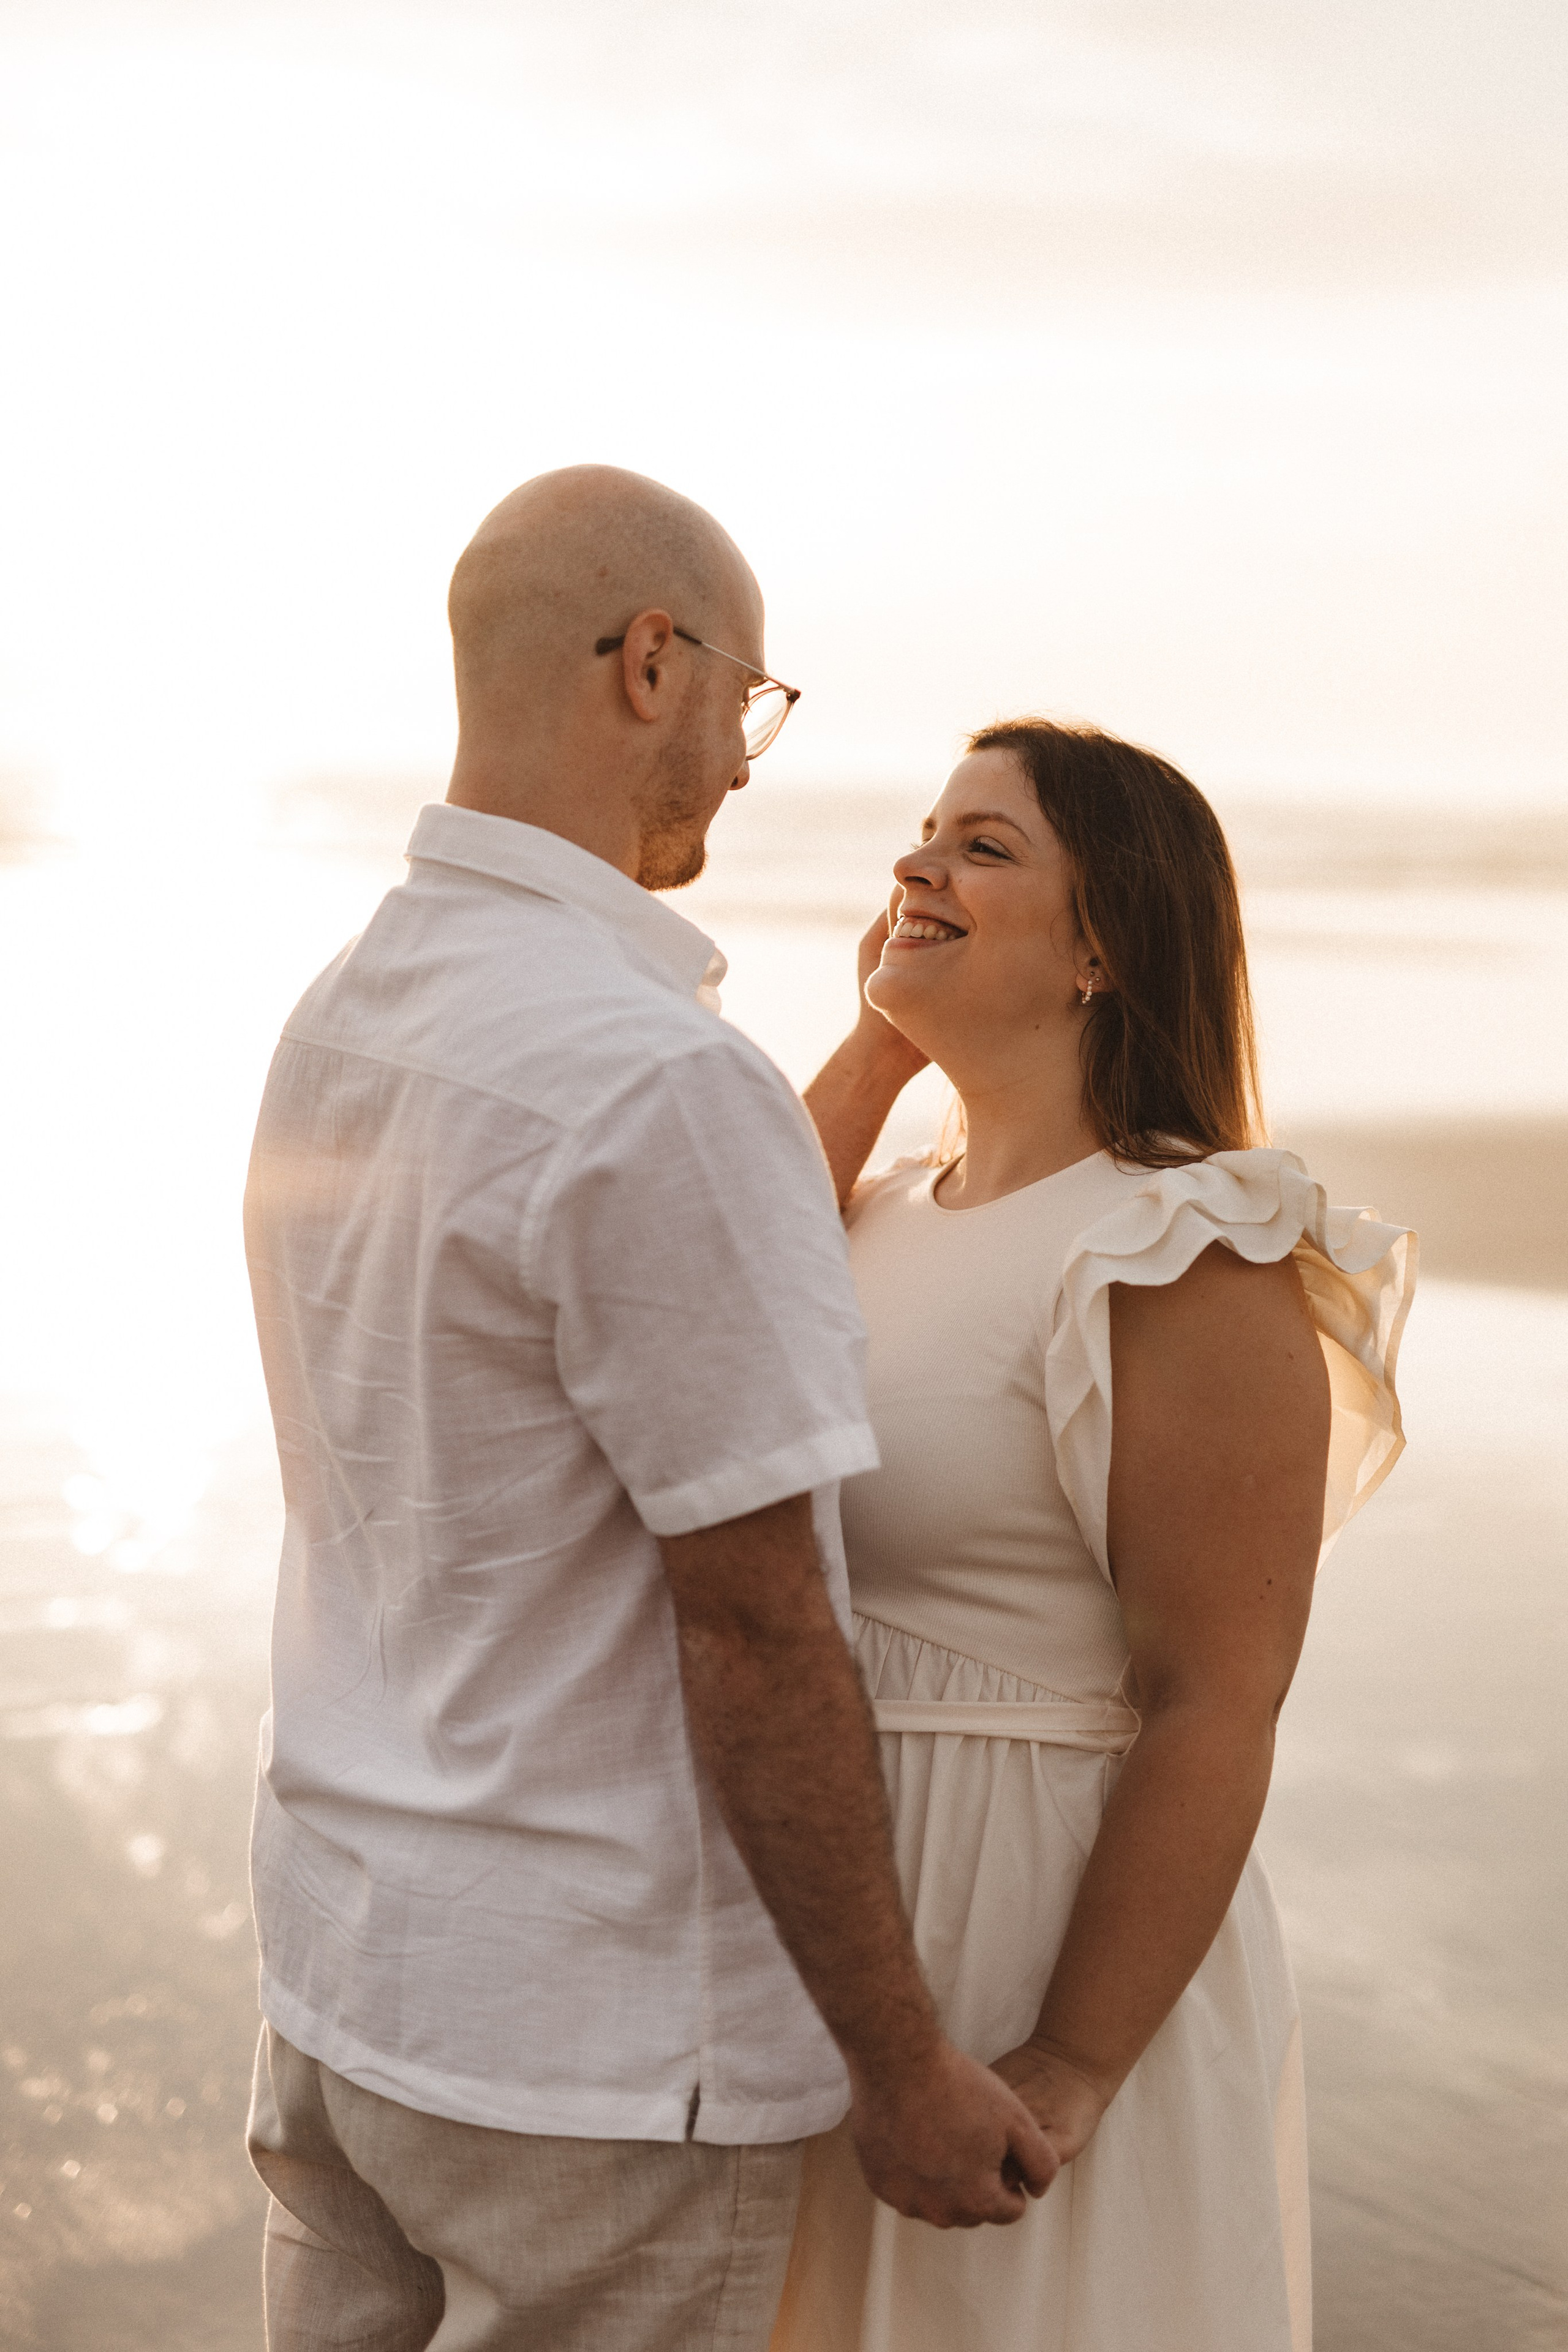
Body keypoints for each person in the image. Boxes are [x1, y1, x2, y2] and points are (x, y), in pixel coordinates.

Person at [241, 469, 1054, 2352]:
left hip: (346, 1984)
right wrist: (900, 2062)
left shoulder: (340, 1015)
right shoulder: (654, 1081)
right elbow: (757, 1626)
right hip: (595, 2063)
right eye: (751, 702)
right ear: (652, 665)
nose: (748, 762)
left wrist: (873, 1051)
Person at [772, 719, 1417, 2352]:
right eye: (923, 834)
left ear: (1105, 947)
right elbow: (711, 1265)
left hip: (1032, 1943)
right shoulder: (868, 1208)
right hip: (826, 1952)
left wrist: (1071, 2061)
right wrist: (880, 1048)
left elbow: (1219, 1695)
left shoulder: (1179, 1243)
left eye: (983, 848)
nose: (916, 864)